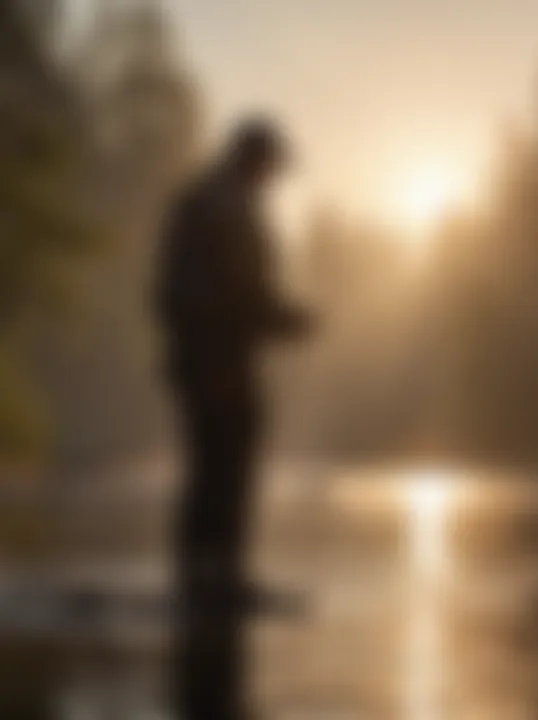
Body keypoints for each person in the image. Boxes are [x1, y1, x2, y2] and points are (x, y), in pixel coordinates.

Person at [157, 117, 313, 720]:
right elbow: (236, 291)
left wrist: (276, 319)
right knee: (226, 465)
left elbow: (217, 291)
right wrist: (287, 321)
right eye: (273, 166)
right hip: (216, 358)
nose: (276, 179)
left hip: (206, 356)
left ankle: (204, 579)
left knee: (213, 465)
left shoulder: (207, 201)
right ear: (254, 158)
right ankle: (214, 583)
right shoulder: (224, 207)